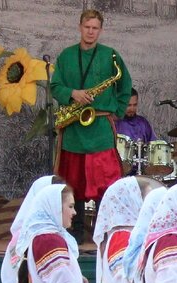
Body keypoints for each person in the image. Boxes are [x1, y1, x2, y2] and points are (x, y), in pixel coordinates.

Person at [49, 9, 133, 240]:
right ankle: (73, 234)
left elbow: (126, 85)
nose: (91, 32)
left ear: (101, 30)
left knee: (106, 186)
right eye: (87, 27)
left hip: (100, 130)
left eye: (95, 28)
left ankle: (106, 236)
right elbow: (55, 86)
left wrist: (116, 111)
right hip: (74, 130)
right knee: (72, 185)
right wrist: (73, 93)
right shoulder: (66, 56)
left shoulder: (111, 56)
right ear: (80, 27)